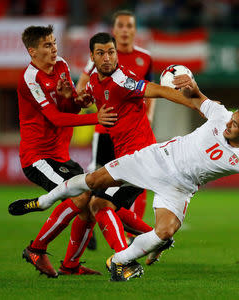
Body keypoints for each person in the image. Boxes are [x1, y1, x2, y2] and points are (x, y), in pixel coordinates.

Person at [10, 71, 239, 282]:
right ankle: (45, 201)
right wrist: (190, 86)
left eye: (235, 124)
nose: (228, 123)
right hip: (155, 159)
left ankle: (118, 261)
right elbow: (196, 98)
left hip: (180, 187)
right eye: (231, 118)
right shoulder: (219, 114)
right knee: (94, 181)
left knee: (165, 233)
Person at [10, 32, 199, 280]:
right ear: (92, 57)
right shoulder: (82, 83)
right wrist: (74, 99)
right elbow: (63, 112)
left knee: (93, 202)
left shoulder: (122, 79)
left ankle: (122, 257)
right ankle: (70, 262)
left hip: (141, 159)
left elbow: (160, 91)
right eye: (101, 53)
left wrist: (200, 103)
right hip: (44, 156)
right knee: (90, 201)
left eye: (111, 52)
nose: (107, 57)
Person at [15, 25, 118, 278]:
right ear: (32, 51)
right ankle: (36, 249)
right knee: (82, 198)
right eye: (47, 45)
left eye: (54, 42)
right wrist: (96, 117)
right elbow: (55, 119)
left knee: (89, 203)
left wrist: (76, 101)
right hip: (37, 157)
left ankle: (70, 265)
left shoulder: (60, 65)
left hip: (60, 156)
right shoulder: (30, 79)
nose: (54, 49)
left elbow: (67, 109)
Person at [76, 10, 155, 249]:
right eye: (120, 25)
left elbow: (150, 92)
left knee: (134, 186)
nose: (125, 30)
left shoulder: (145, 58)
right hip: (105, 133)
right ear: (114, 29)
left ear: (134, 30)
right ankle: (89, 232)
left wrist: (148, 120)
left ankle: (137, 236)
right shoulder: (101, 55)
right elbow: (82, 89)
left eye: (129, 25)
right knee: (94, 186)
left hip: (133, 135)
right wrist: (95, 112)